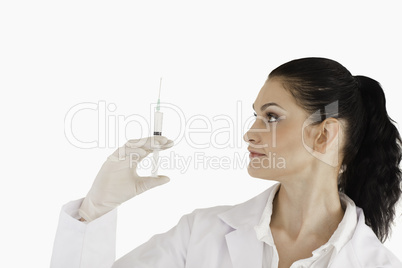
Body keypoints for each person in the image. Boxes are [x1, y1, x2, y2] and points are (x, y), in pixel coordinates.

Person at [50, 58, 402, 268]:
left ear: (324, 135)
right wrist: (92, 212)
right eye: (255, 116)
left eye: (272, 116)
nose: (250, 133)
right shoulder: (200, 234)